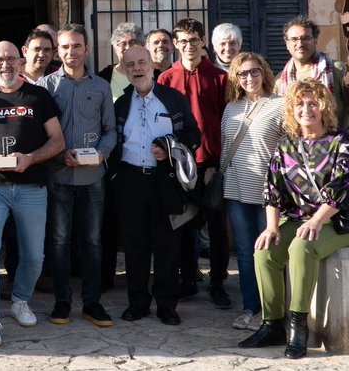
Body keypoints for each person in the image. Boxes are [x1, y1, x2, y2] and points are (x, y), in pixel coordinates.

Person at [239, 79, 349, 359]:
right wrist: (271, 227)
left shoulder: (338, 141)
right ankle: (272, 324)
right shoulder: (286, 145)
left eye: (313, 103)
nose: (306, 109)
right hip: (296, 220)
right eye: (300, 104)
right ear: (291, 109)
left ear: (324, 107)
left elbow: (344, 186)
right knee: (264, 250)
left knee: (301, 247)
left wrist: (316, 221)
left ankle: (298, 325)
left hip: (335, 221)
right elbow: (272, 189)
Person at [0, 41, 65, 348]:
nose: (5, 64)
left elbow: (58, 141)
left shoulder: (39, 96)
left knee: (34, 255)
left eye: (11, 58)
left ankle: (21, 300)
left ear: (21, 62)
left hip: (31, 186)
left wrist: (31, 158)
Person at [112, 45, 199, 327]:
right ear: (124, 70)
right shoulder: (121, 104)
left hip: (164, 180)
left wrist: (168, 145)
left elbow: (193, 134)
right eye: (130, 65)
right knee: (134, 245)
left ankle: (166, 305)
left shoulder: (172, 100)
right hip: (130, 180)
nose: (137, 68)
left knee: (167, 245)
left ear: (152, 65)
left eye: (142, 62)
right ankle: (137, 303)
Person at [42, 25, 117, 328]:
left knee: (93, 242)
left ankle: (92, 302)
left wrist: (102, 152)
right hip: (59, 174)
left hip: (93, 176)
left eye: (76, 46)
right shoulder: (46, 86)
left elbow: (111, 129)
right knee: (58, 241)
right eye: (65, 47)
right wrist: (61, 155)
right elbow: (40, 132)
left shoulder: (101, 86)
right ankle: (62, 301)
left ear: (86, 49)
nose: (70, 52)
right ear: (57, 52)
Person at [157, 18, 231, 310]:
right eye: (183, 41)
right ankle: (188, 279)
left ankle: (217, 283)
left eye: (194, 40)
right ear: (176, 44)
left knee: (216, 226)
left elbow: (227, 120)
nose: (189, 46)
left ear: (203, 42)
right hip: (178, 164)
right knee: (184, 223)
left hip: (211, 161)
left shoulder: (220, 78)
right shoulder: (165, 79)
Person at [220, 52, 284, 332]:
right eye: (242, 74)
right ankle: (251, 308)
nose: (249, 78)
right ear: (236, 78)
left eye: (254, 72)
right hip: (235, 190)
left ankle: (273, 312)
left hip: (267, 194)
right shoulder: (231, 107)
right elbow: (225, 147)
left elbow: (288, 150)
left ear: (264, 72)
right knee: (245, 253)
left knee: (268, 254)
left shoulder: (280, 106)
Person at [275, 16, 349, 131]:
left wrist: (346, 138)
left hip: (335, 143)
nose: (300, 44)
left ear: (315, 42)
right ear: (287, 44)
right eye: (294, 39)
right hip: (295, 146)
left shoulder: (337, 70)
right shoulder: (279, 81)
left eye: (306, 38)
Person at [97, 22, 141, 95]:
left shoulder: (155, 75)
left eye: (132, 42)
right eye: (123, 44)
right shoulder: (102, 78)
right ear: (115, 49)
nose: (128, 47)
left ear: (142, 46)